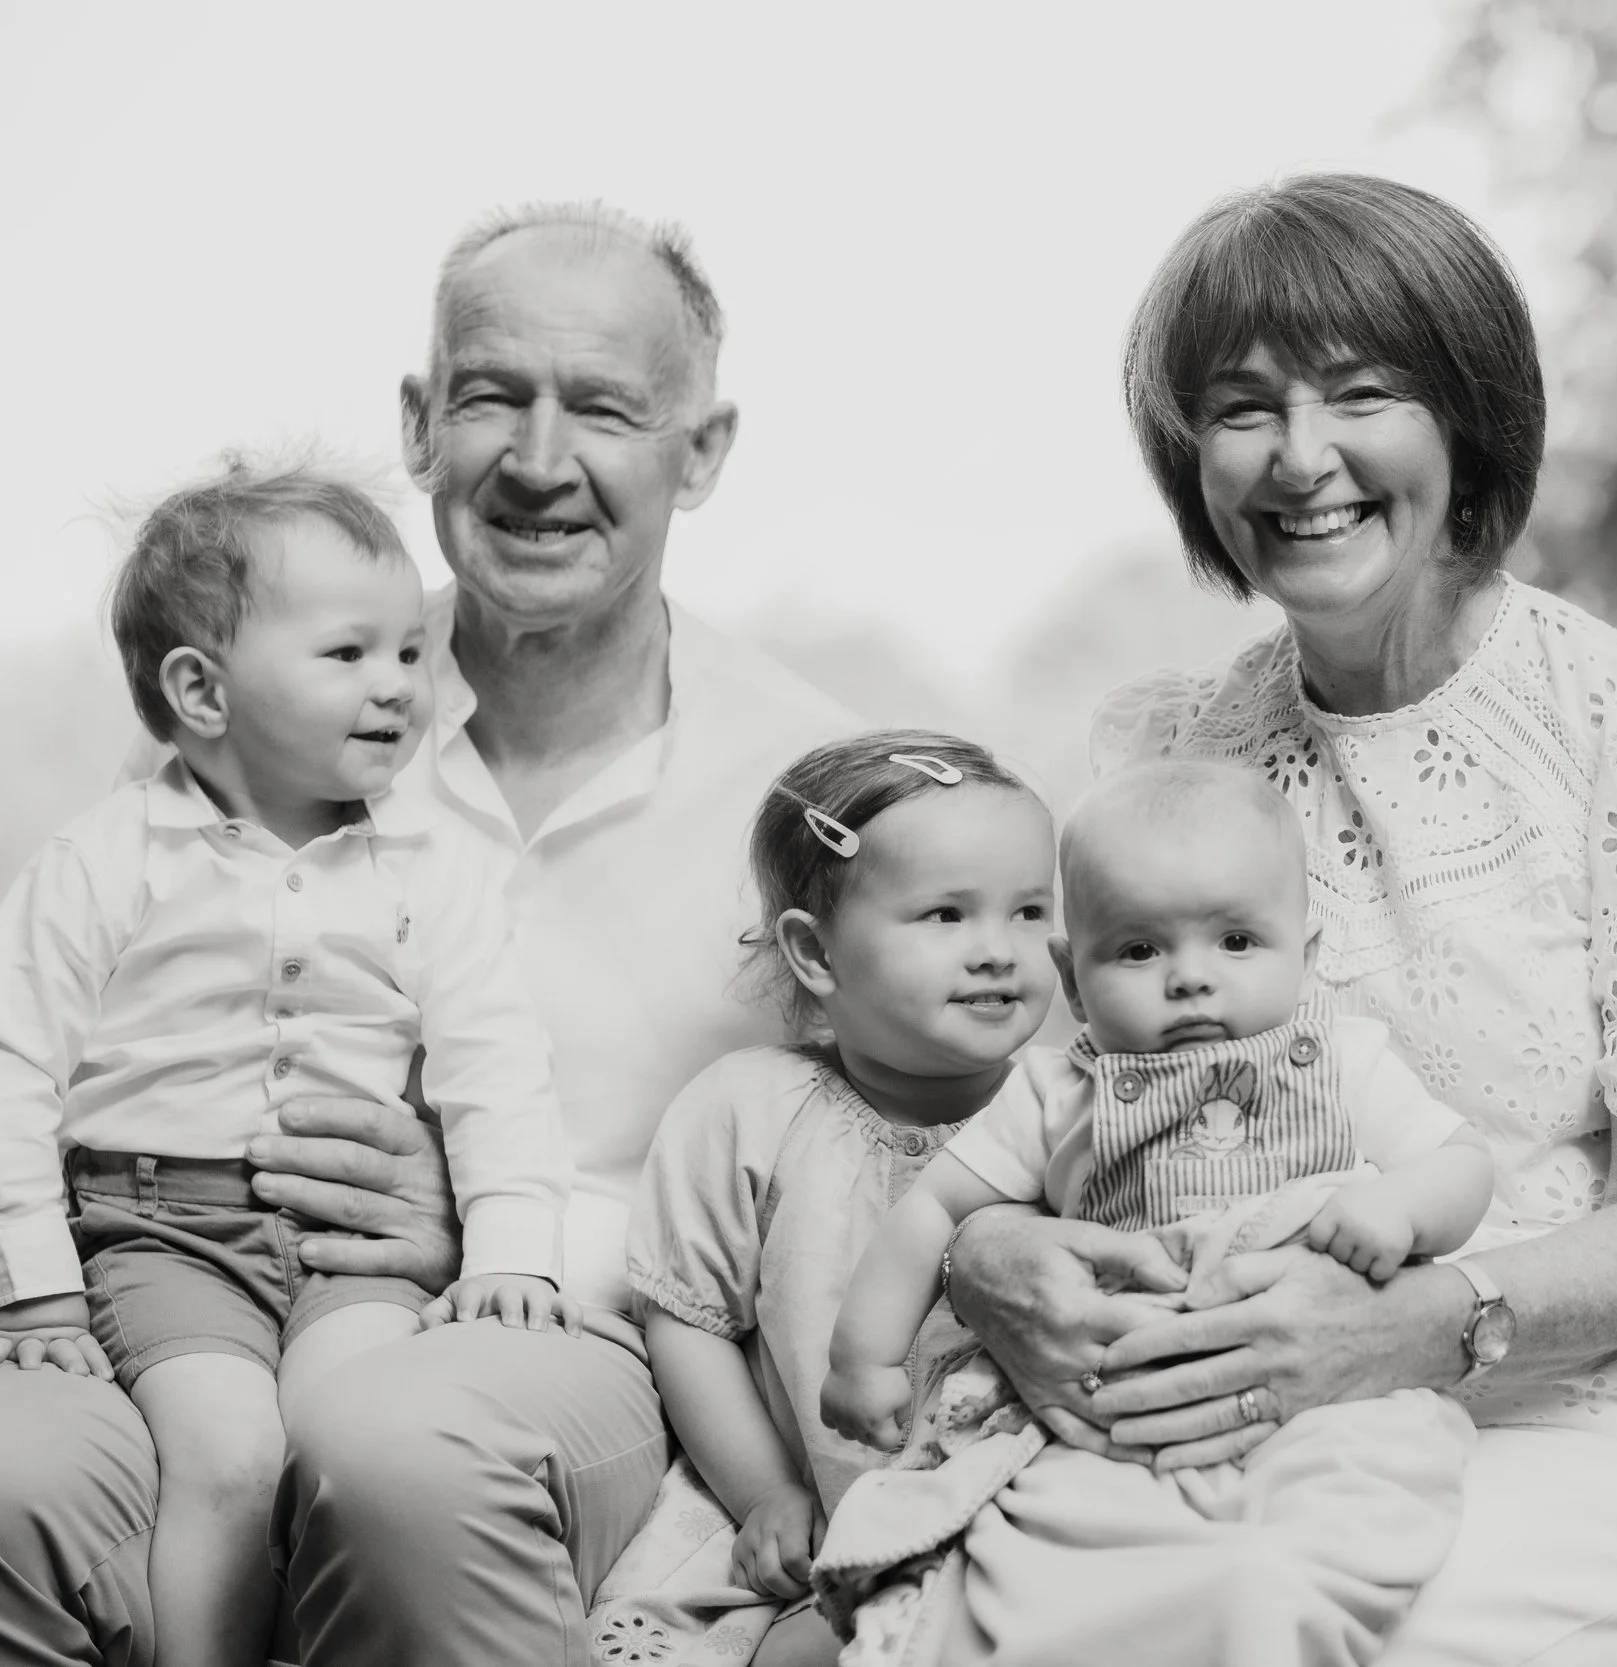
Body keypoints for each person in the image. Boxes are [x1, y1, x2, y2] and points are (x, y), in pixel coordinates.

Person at [938, 172, 1617, 1667]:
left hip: (1576, 1402)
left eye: (1361, 392)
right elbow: (1069, 1121)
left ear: (1470, 414)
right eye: (1239, 408)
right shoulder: (1171, 756)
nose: (1300, 458)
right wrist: (988, 1259)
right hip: (1220, 1410)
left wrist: (1426, 1321)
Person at [0, 201, 855, 1667]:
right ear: (416, 423)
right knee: (20, 1471)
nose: (536, 462)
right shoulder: (274, 711)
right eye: (488, 396)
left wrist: (490, 1227)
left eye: (600, 406)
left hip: (591, 1341)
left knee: (389, 1444)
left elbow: (850, 1180)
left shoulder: (810, 784)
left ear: (699, 451)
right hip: (186, 1275)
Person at [0, 464, 576, 1667]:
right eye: (349, 654)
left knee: (351, 1438)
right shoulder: (108, 859)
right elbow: (13, 1070)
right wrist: (36, 1281)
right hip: (162, 1230)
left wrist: (516, 1247)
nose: (400, 688)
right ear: (201, 689)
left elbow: (496, 1070)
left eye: (409, 654)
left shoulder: (429, 867)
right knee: (225, 1451)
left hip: (340, 1249)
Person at [819, 760, 1491, 1666]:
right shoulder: (1057, 1088)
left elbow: (1461, 1160)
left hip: (1331, 1384)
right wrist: (863, 1357)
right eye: (1139, 950)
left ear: (1309, 949)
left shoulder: (1344, 1060)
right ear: (1071, 970)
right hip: (1114, 1397)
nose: (1190, 979)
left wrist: (1402, 1207)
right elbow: (936, 1207)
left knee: (1339, 1519)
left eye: (1237, 941)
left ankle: (1267, 1615)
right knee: (1045, 1545)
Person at [603, 733, 1056, 1665]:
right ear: (814, 951)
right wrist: (765, 1490)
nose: (998, 951)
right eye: (944, 914)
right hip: (816, 1504)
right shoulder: (749, 1109)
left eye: (1029, 911)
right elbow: (687, 1318)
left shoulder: (1070, 1109)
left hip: (1022, 1513)